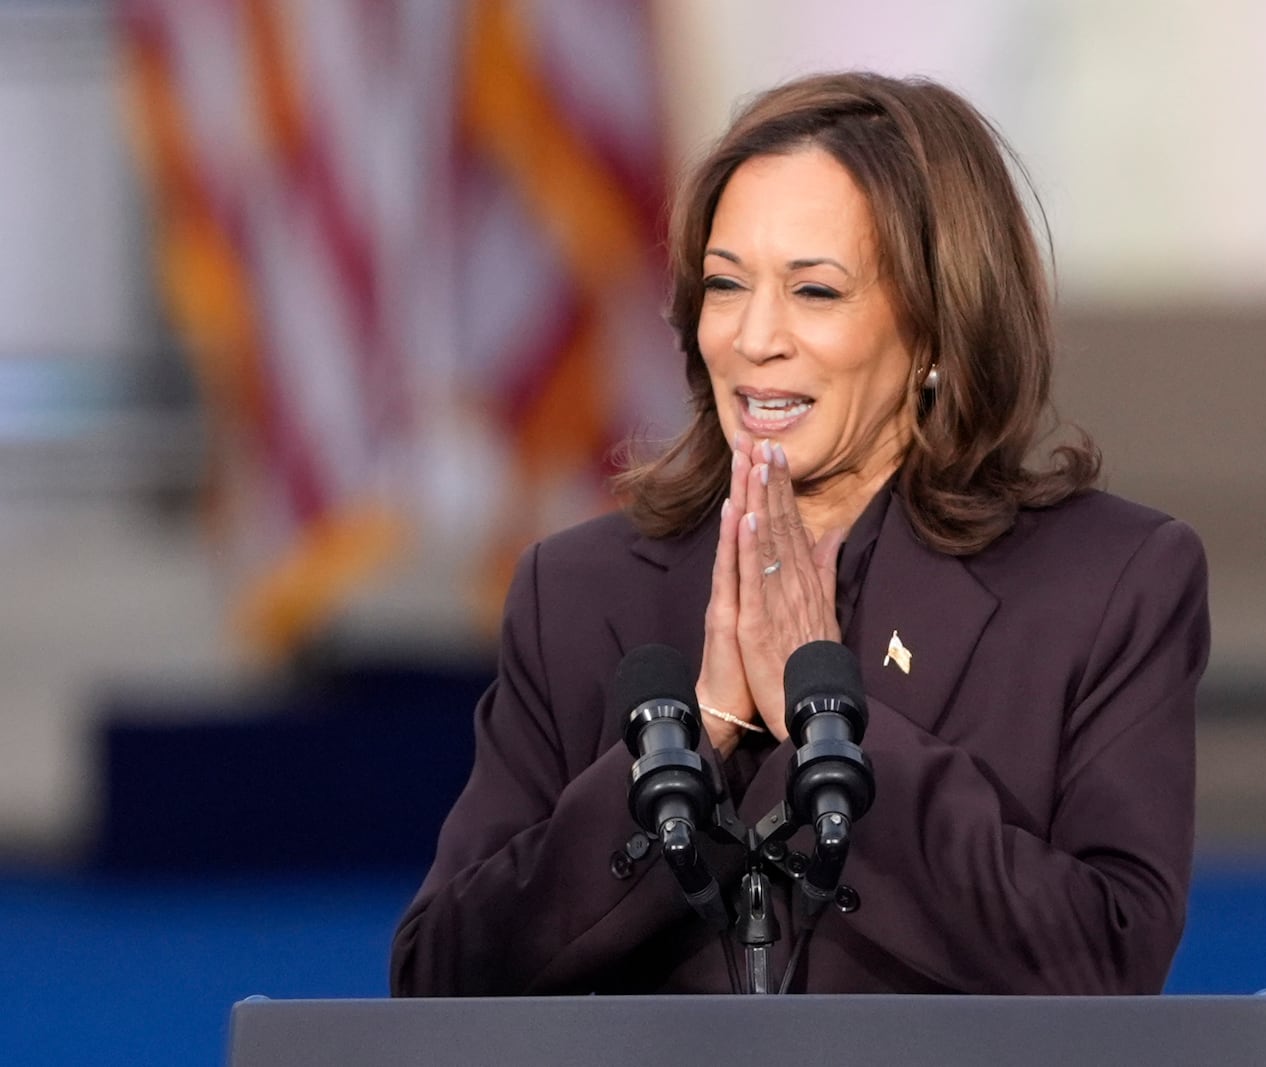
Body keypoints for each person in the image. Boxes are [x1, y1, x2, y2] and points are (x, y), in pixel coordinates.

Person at [391, 71, 1208, 997]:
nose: (754, 337)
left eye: (815, 292)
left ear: (939, 324)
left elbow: (1105, 959)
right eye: (726, 285)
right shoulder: (579, 590)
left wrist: (832, 736)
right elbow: (440, 976)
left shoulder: (1104, 584)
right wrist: (686, 743)